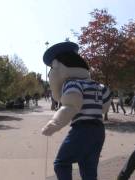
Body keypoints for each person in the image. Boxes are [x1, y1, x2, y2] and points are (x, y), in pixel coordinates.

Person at [41, 42, 111, 180]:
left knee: (61, 163)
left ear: (59, 67)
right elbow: (104, 107)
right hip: (99, 131)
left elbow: (71, 106)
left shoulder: (73, 83)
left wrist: (54, 123)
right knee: (88, 168)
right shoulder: (98, 86)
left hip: (82, 130)